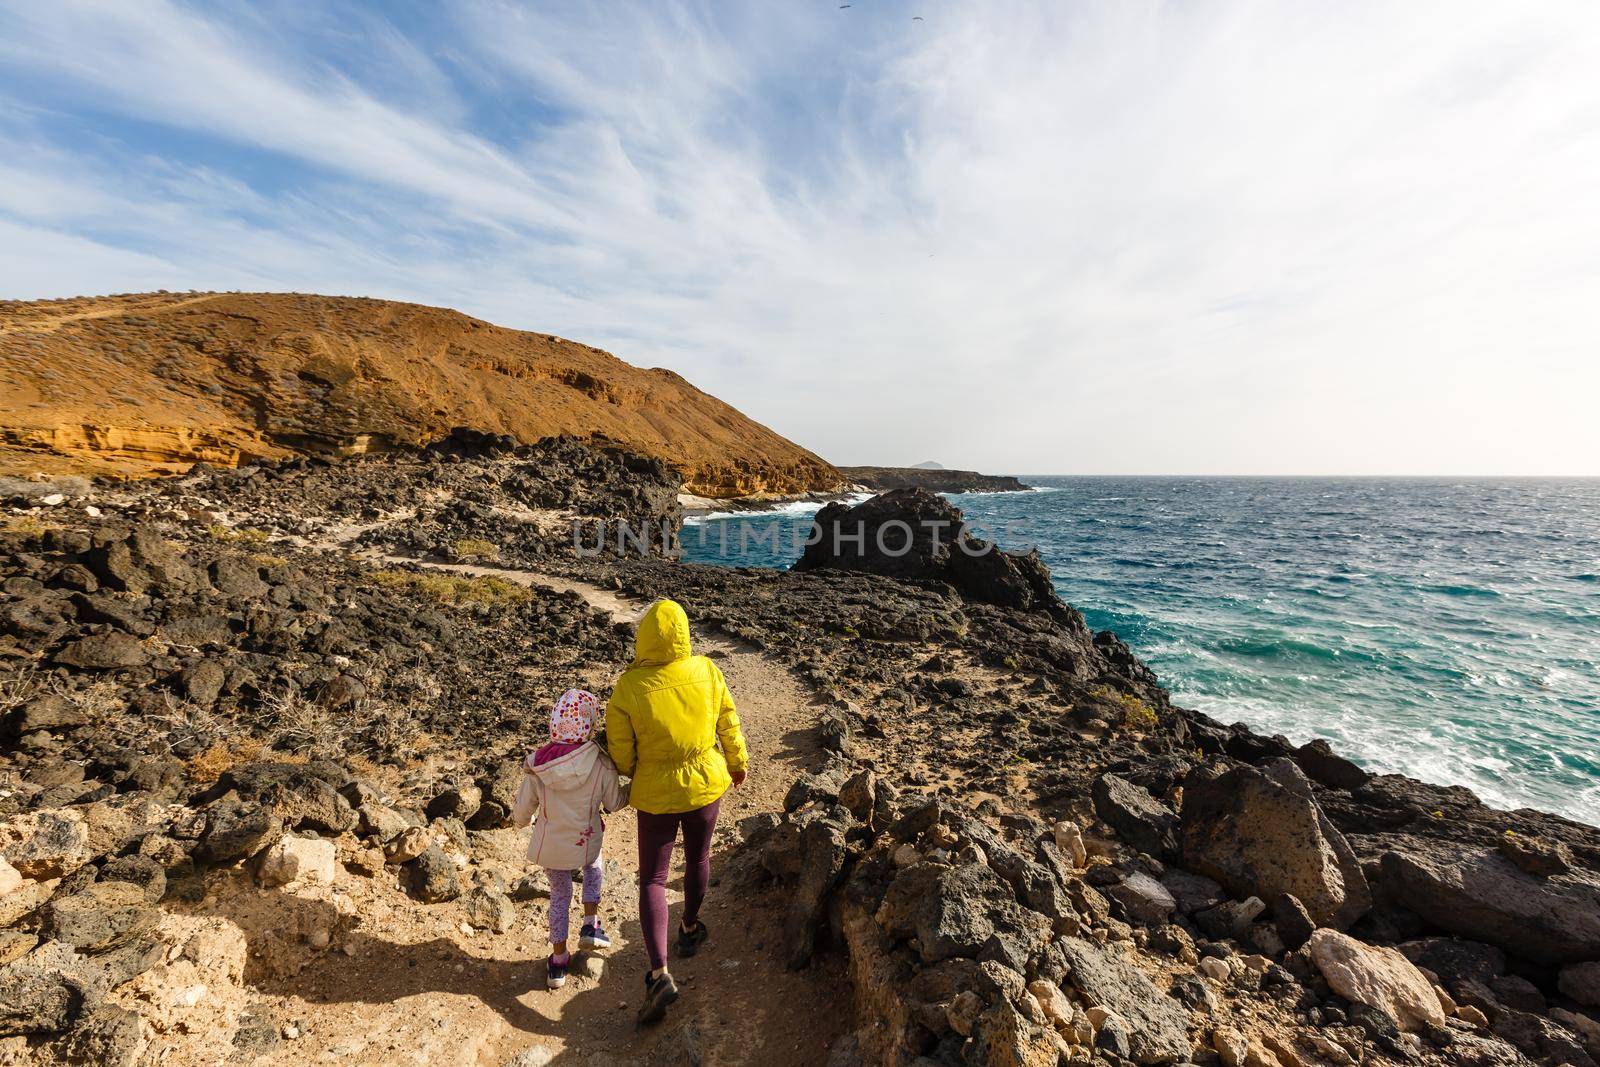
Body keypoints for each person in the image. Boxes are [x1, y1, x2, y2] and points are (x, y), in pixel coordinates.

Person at [606, 599, 748, 1026]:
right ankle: (689, 928)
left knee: (651, 877)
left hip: (655, 796)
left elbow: (621, 752)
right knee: (698, 859)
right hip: (706, 784)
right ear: (684, 634)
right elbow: (729, 720)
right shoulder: (707, 670)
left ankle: (659, 973)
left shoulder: (628, 688)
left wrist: (636, 772)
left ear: (644, 637)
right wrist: (737, 762)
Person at [512, 688, 627, 990]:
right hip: (586, 842)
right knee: (594, 866)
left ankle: (559, 962)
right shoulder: (600, 763)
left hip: (552, 846)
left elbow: (522, 812)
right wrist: (634, 789)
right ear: (589, 724)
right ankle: (591, 923)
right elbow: (614, 803)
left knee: (559, 896)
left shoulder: (540, 766)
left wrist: (523, 822)